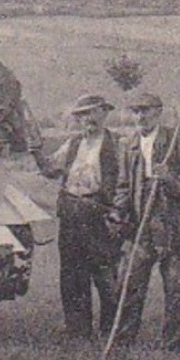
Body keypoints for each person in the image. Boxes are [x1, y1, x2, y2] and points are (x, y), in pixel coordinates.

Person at [111, 91, 180, 352]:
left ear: (158, 112)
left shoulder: (176, 141)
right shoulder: (128, 145)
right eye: (136, 111)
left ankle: (172, 346)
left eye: (146, 110)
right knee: (129, 288)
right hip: (140, 232)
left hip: (173, 231)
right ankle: (124, 342)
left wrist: (171, 179)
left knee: (174, 291)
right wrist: (118, 212)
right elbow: (122, 186)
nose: (141, 116)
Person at [37, 93, 121, 340]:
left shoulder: (118, 144)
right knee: (72, 275)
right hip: (72, 214)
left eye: (94, 112)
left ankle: (111, 331)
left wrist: (118, 213)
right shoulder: (72, 145)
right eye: (83, 115)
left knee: (105, 276)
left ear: (105, 113)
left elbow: (126, 181)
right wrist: (34, 150)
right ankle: (77, 330)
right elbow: (50, 169)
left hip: (100, 214)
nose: (89, 119)